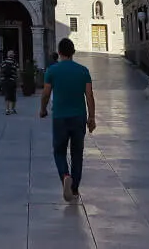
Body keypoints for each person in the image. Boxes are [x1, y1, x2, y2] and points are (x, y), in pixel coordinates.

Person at [41, 38, 95, 203]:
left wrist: (42, 109)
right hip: (78, 117)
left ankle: (65, 175)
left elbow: (46, 93)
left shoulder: (52, 70)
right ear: (73, 52)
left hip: (60, 118)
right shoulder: (83, 71)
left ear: (59, 52)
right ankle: (75, 188)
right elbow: (89, 96)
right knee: (77, 153)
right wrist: (91, 117)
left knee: (59, 151)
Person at [1, 50, 18, 115]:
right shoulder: (14, 62)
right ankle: (12, 109)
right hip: (12, 80)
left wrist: (1, 79)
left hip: (5, 80)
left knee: (7, 95)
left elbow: (0, 70)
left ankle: (7, 109)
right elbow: (17, 71)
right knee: (13, 95)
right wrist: (17, 80)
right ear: (12, 55)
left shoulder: (4, 62)